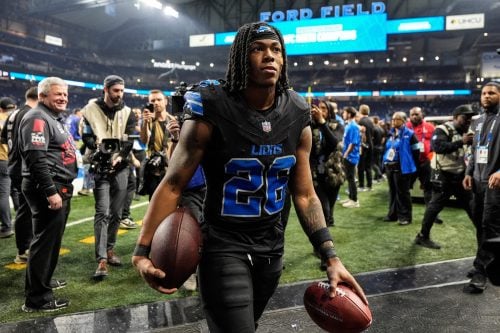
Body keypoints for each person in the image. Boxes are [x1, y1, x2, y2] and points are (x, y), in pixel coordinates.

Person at [132, 22, 367, 332]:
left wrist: (331, 256)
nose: (269, 56)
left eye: (276, 50)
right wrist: (141, 250)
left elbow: (306, 194)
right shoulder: (214, 105)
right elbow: (174, 182)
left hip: (271, 247)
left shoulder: (297, 111)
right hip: (223, 245)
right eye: (258, 49)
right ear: (241, 58)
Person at [18, 77, 77, 312]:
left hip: (58, 186)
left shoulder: (51, 117)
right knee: (44, 242)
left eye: (65, 94)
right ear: (42, 96)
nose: (63, 98)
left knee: (52, 242)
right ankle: (37, 298)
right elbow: (35, 158)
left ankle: (43, 282)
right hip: (49, 187)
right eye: (58, 94)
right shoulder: (37, 118)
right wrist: (50, 191)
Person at [80, 75, 136, 279]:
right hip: (99, 167)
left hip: (121, 167)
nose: (119, 94)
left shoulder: (129, 112)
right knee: (102, 212)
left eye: (122, 91)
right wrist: (96, 146)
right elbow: (85, 136)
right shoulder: (90, 109)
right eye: (116, 91)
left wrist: (119, 156)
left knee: (116, 213)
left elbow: (130, 141)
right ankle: (101, 259)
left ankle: (110, 249)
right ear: (106, 89)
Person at [415, 105, 476, 249]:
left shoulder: (470, 131)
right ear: (455, 117)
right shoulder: (443, 129)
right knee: (435, 206)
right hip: (443, 174)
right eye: (464, 117)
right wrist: (461, 141)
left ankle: (485, 235)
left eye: (469, 117)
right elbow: (438, 147)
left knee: (472, 206)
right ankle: (423, 236)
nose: (468, 120)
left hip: (461, 174)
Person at [463, 81, 500, 293]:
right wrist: (469, 173)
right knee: (479, 222)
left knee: (489, 224)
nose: (486, 96)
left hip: (495, 183)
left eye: (492, 93)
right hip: (477, 180)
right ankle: (485, 261)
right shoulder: (477, 121)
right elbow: (476, 150)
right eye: (484, 93)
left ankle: (482, 271)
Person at [0, 88, 37, 261]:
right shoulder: (31, 114)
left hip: (13, 164)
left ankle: (24, 248)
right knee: (28, 209)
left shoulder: (13, 114)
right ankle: (24, 249)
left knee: (24, 207)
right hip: (24, 167)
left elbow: (3, 139)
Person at [406, 107, 443, 224]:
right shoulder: (406, 127)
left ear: (422, 114)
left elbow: (435, 145)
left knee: (429, 189)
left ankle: (432, 215)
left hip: (426, 162)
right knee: (405, 189)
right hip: (410, 162)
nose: (414, 117)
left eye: (416, 114)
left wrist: (432, 160)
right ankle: (404, 215)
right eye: (412, 115)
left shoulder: (430, 127)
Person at [383, 112, 420, 225]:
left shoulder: (410, 134)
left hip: (403, 168)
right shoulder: (391, 134)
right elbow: (387, 150)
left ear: (404, 121)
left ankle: (405, 217)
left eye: (397, 119)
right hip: (390, 167)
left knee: (403, 193)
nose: (393, 121)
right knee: (393, 192)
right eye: (393, 119)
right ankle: (392, 214)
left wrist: (411, 164)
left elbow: (416, 151)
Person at [138, 91, 173, 199]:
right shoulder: (148, 121)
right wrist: (144, 123)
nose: (156, 103)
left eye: (159, 99)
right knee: (155, 204)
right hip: (155, 171)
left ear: (166, 101)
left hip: (171, 169)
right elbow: (144, 140)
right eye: (152, 101)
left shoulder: (173, 120)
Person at [0, 97, 16, 238]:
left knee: (2, 194)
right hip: (14, 158)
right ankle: (25, 220)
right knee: (15, 191)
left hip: (2, 158)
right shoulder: (15, 117)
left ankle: (6, 227)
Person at [341, 106, 361, 208]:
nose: (343, 114)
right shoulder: (349, 125)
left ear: (349, 114)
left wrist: (346, 154)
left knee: (351, 178)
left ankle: (355, 200)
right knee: (349, 178)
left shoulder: (353, 126)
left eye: (344, 113)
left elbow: (353, 143)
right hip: (348, 156)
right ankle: (350, 197)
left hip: (351, 156)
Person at [357, 104, 375, 192]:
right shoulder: (371, 121)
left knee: (361, 166)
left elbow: (361, 135)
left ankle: (361, 185)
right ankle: (369, 185)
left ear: (360, 111)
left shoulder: (361, 121)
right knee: (368, 166)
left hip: (363, 146)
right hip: (371, 145)